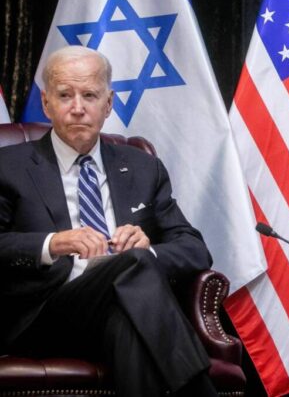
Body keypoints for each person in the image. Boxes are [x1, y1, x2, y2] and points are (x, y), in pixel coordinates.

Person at [0, 46, 218, 396]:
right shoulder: (8, 165)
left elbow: (194, 248)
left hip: (122, 308)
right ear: (45, 103)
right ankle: (199, 388)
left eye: (89, 95)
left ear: (109, 103)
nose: (77, 108)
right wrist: (52, 244)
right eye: (64, 95)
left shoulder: (144, 167)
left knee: (126, 313)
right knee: (132, 267)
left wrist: (149, 251)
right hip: (46, 315)